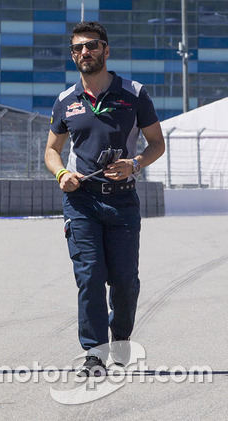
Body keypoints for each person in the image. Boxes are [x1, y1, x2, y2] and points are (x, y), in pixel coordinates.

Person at [44, 21, 164, 377]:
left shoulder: (134, 93)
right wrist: (62, 174)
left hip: (123, 202)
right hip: (82, 202)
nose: (85, 52)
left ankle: (121, 336)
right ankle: (94, 353)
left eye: (92, 46)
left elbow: (157, 143)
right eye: (78, 48)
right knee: (90, 275)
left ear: (106, 51)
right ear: (72, 55)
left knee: (125, 281)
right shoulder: (66, 101)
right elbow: (52, 151)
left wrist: (135, 164)